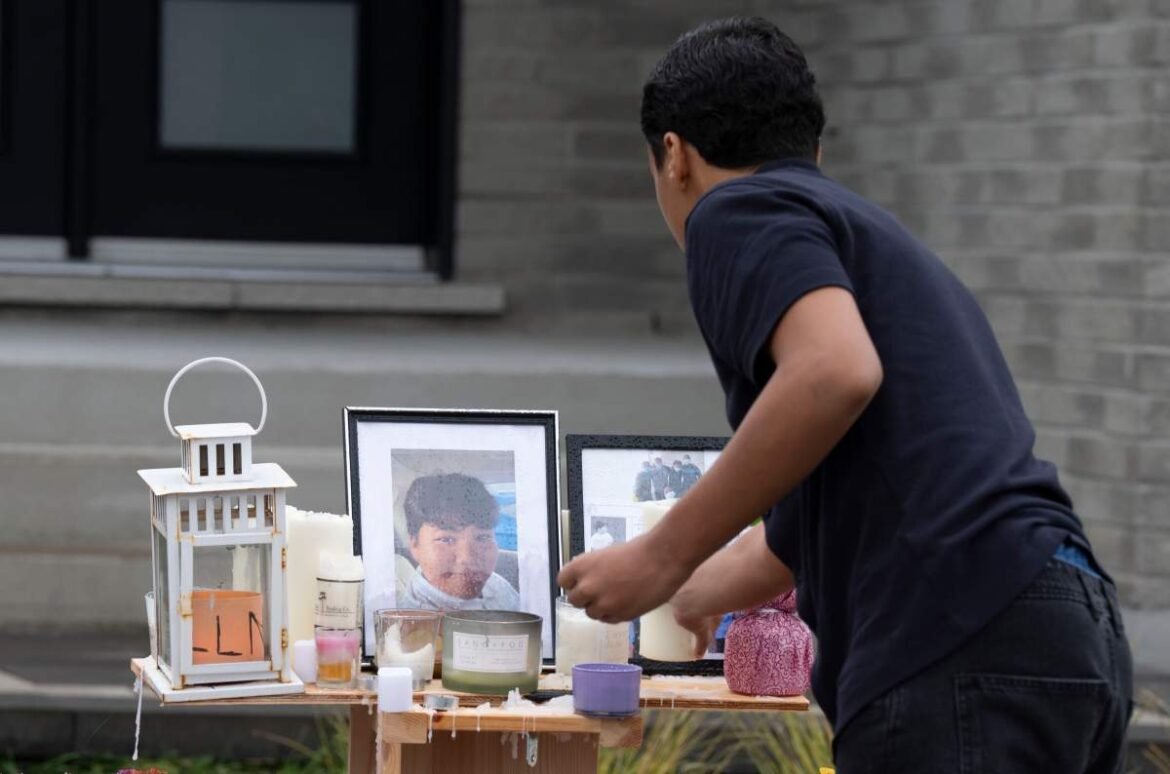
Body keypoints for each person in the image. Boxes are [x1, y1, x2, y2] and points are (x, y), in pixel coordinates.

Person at [558, 17, 1132, 773]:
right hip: (1064, 625)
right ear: (814, 151)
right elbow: (795, 530)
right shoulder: (870, 237)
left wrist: (661, 557)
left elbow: (834, 374)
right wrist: (695, 597)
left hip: (952, 640)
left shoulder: (733, 214)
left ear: (674, 155)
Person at [398, 472, 520, 611]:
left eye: (482, 537)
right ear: (414, 545)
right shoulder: (417, 623)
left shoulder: (495, 584)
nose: (467, 558)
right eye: (446, 539)